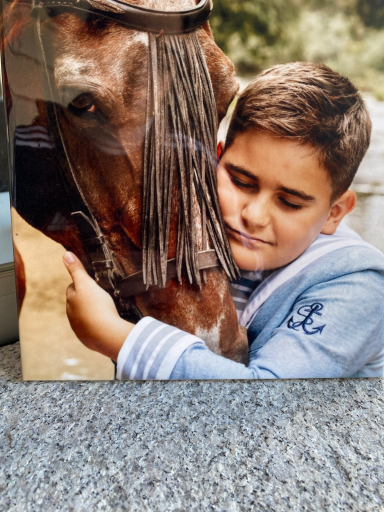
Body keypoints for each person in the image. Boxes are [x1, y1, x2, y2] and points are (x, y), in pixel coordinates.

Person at [63, 62, 384, 379]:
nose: (253, 216)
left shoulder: (359, 290)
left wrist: (117, 338)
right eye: (242, 182)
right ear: (216, 158)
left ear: (335, 213)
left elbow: (274, 398)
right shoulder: (187, 235)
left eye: (289, 202)